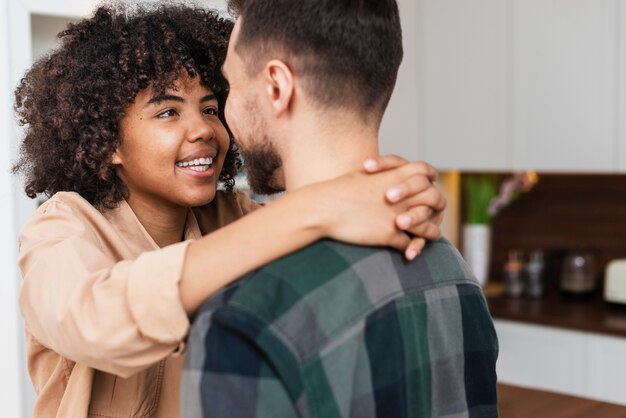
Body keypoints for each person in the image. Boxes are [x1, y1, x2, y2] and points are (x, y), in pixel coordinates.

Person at [14, 3, 446, 418]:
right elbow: (96, 320)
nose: (203, 128)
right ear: (107, 140)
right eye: (167, 111)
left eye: (209, 108)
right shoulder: (62, 227)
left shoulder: (237, 216)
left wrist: (401, 201)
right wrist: (315, 208)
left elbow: (344, 218)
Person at [181, 0, 499, 417]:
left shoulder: (240, 321)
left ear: (277, 86)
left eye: (231, 84)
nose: (226, 112)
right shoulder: (453, 271)